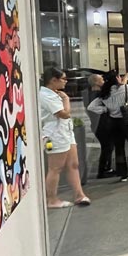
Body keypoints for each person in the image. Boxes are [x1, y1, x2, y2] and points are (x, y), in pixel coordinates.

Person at [87, 71, 128, 182]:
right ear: (116, 79)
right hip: (127, 121)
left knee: (119, 148)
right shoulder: (126, 88)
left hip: (113, 123)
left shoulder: (104, 94)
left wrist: (105, 109)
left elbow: (91, 107)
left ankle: (123, 174)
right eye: (119, 77)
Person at [39, 68, 91, 208]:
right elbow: (64, 114)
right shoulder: (45, 95)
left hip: (65, 131)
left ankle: (79, 195)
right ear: (53, 80)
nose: (66, 81)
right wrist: (66, 99)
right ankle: (51, 199)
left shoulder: (54, 94)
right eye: (63, 79)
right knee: (55, 168)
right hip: (55, 134)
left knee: (73, 164)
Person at [85, 74, 114, 178]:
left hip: (97, 124)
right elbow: (91, 108)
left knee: (107, 146)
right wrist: (105, 109)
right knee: (107, 147)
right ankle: (103, 170)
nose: (104, 81)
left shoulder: (89, 94)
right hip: (102, 124)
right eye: (101, 79)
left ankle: (106, 169)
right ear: (96, 82)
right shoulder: (97, 95)